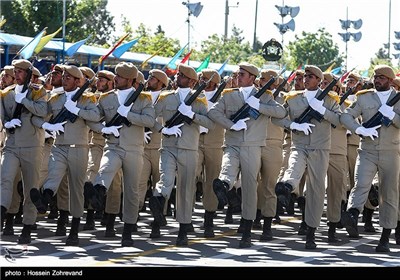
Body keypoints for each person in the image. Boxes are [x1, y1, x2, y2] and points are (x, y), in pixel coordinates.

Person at [208, 62, 287, 248]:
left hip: (253, 146)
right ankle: (223, 185)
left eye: (242, 74)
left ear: (252, 78)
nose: (238, 76)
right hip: (233, 142)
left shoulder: (265, 96)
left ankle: (247, 226)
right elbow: (213, 111)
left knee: (250, 188)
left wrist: (259, 105)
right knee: (227, 166)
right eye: (237, 73)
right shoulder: (229, 95)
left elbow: (280, 112)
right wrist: (231, 124)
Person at [84, 62, 155, 247]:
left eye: (120, 77)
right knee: (105, 169)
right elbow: (92, 118)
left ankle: (128, 230)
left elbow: (150, 120)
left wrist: (129, 114)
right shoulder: (106, 98)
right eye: (116, 75)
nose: (116, 79)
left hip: (134, 149)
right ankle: (97, 193)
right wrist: (104, 129)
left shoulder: (143, 99)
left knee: (131, 191)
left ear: (131, 80)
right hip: (113, 145)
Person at [30, 65, 101, 246]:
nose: (65, 79)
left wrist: (77, 110)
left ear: (78, 81)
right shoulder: (55, 99)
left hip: (79, 148)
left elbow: (95, 116)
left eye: (69, 77)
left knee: (76, 190)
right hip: (59, 146)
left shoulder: (86, 99)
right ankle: (44, 200)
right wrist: (48, 126)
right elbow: (37, 116)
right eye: (65, 77)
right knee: (53, 175)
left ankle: (74, 229)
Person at [274, 65, 341, 249]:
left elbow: (339, 120)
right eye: (305, 76)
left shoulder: (329, 99)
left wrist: (323, 111)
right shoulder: (294, 99)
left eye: (311, 76)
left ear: (319, 80)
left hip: (320, 148)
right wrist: (293, 125)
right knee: (293, 166)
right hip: (299, 144)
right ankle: (286, 187)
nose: (306, 79)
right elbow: (277, 117)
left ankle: (311, 231)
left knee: (316, 190)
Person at [149, 64, 213, 246]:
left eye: (182, 75)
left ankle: (183, 230)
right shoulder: (165, 97)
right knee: (165, 180)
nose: (177, 77)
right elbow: (150, 116)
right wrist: (163, 130)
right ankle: (157, 216)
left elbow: (210, 124)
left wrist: (192, 115)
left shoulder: (199, 101)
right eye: (178, 74)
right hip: (168, 146)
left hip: (189, 149)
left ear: (192, 81)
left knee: (186, 189)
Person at [340, 65, 400, 252]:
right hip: (367, 149)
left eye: (382, 78)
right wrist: (359, 129)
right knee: (361, 183)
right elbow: (346, 116)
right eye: (375, 77)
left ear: (390, 81)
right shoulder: (364, 97)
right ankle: (352, 213)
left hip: (391, 152)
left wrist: (393, 116)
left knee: (388, 194)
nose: (377, 80)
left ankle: (384, 237)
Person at [1, 59, 48, 244]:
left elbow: (43, 111)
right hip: (11, 145)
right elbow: (2, 116)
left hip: (32, 146)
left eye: (21, 71)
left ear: (29, 74)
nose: (17, 74)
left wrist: (26, 101)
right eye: (16, 71)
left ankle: (27, 226)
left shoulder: (38, 92)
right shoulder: (6, 94)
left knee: (31, 188)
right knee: (5, 179)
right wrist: (7, 123)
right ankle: (3, 213)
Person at [137, 69, 169, 237]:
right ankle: (133, 216)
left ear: (161, 82)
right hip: (143, 146)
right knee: (140, 182)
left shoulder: (168, 98)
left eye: (153, 78)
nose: (149, 80)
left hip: (161, 146)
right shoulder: (143, 96)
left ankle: (158, 219)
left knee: (159, 183)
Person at [195, 68, 225, 238]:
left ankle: (209, 220)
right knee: (191, 173)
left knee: (212, 182)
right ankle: (185, 217)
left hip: (215, 142)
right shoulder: (195, 96)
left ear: (214, 82)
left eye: (204, 79)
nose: (201, 81)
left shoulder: (223, 98)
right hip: (196, 141)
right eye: (200, 78)